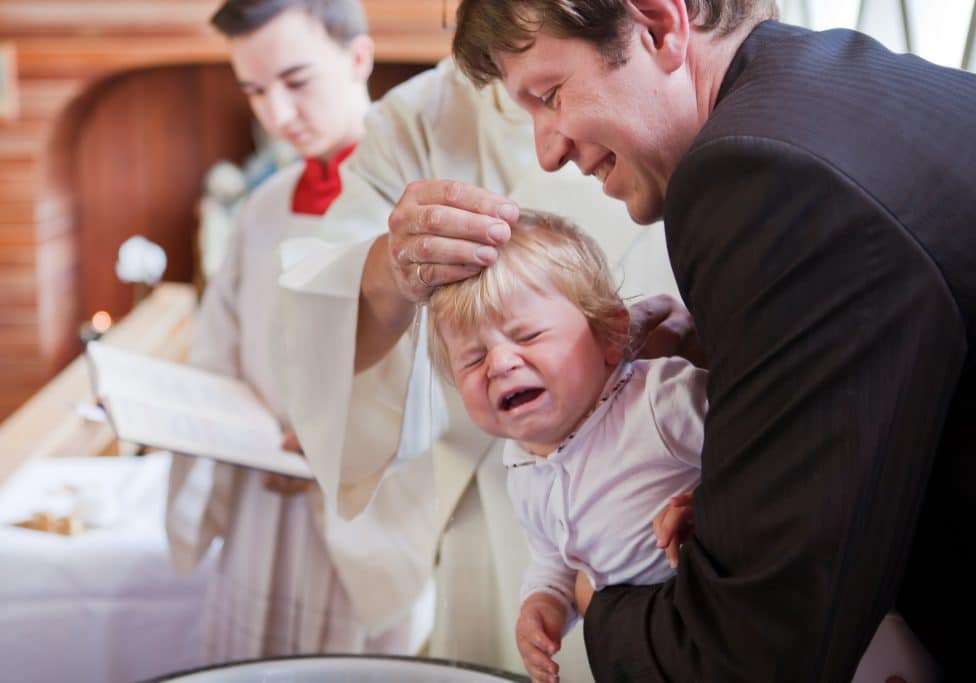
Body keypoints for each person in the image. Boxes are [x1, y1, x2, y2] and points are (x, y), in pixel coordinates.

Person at [379, 0, 973, 680]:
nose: (547, 150)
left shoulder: (761, 175)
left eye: (550, 96)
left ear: (659, 25)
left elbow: (749, 651)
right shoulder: (822, 86)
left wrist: (589, 598)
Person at [273, 56, 686, 681]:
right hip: (491, 497)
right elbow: (323, 315)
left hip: (665, 476)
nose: (552, 149)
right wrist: (393, 267)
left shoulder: (671, 75)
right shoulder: (415, 121)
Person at [165, 0, 431, 662]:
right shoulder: (261, 207)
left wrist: (342, 443)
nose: (277, 116)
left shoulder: (418, 201)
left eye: (296, 81)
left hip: (367, 513)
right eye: (254, 91)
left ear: (358, 59)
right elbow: (216, 353)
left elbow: (451, 373)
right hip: (262, 508)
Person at [427, 209, 707, 682]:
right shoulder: (519, 462)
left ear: (611, 334)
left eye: (528, 335)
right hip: (648, 654)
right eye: (473, 359)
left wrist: (709, 501)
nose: (500, 363)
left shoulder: (659, 401)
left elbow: (767, 445)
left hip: (729, 626)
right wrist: (545, 603)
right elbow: (555, 557)